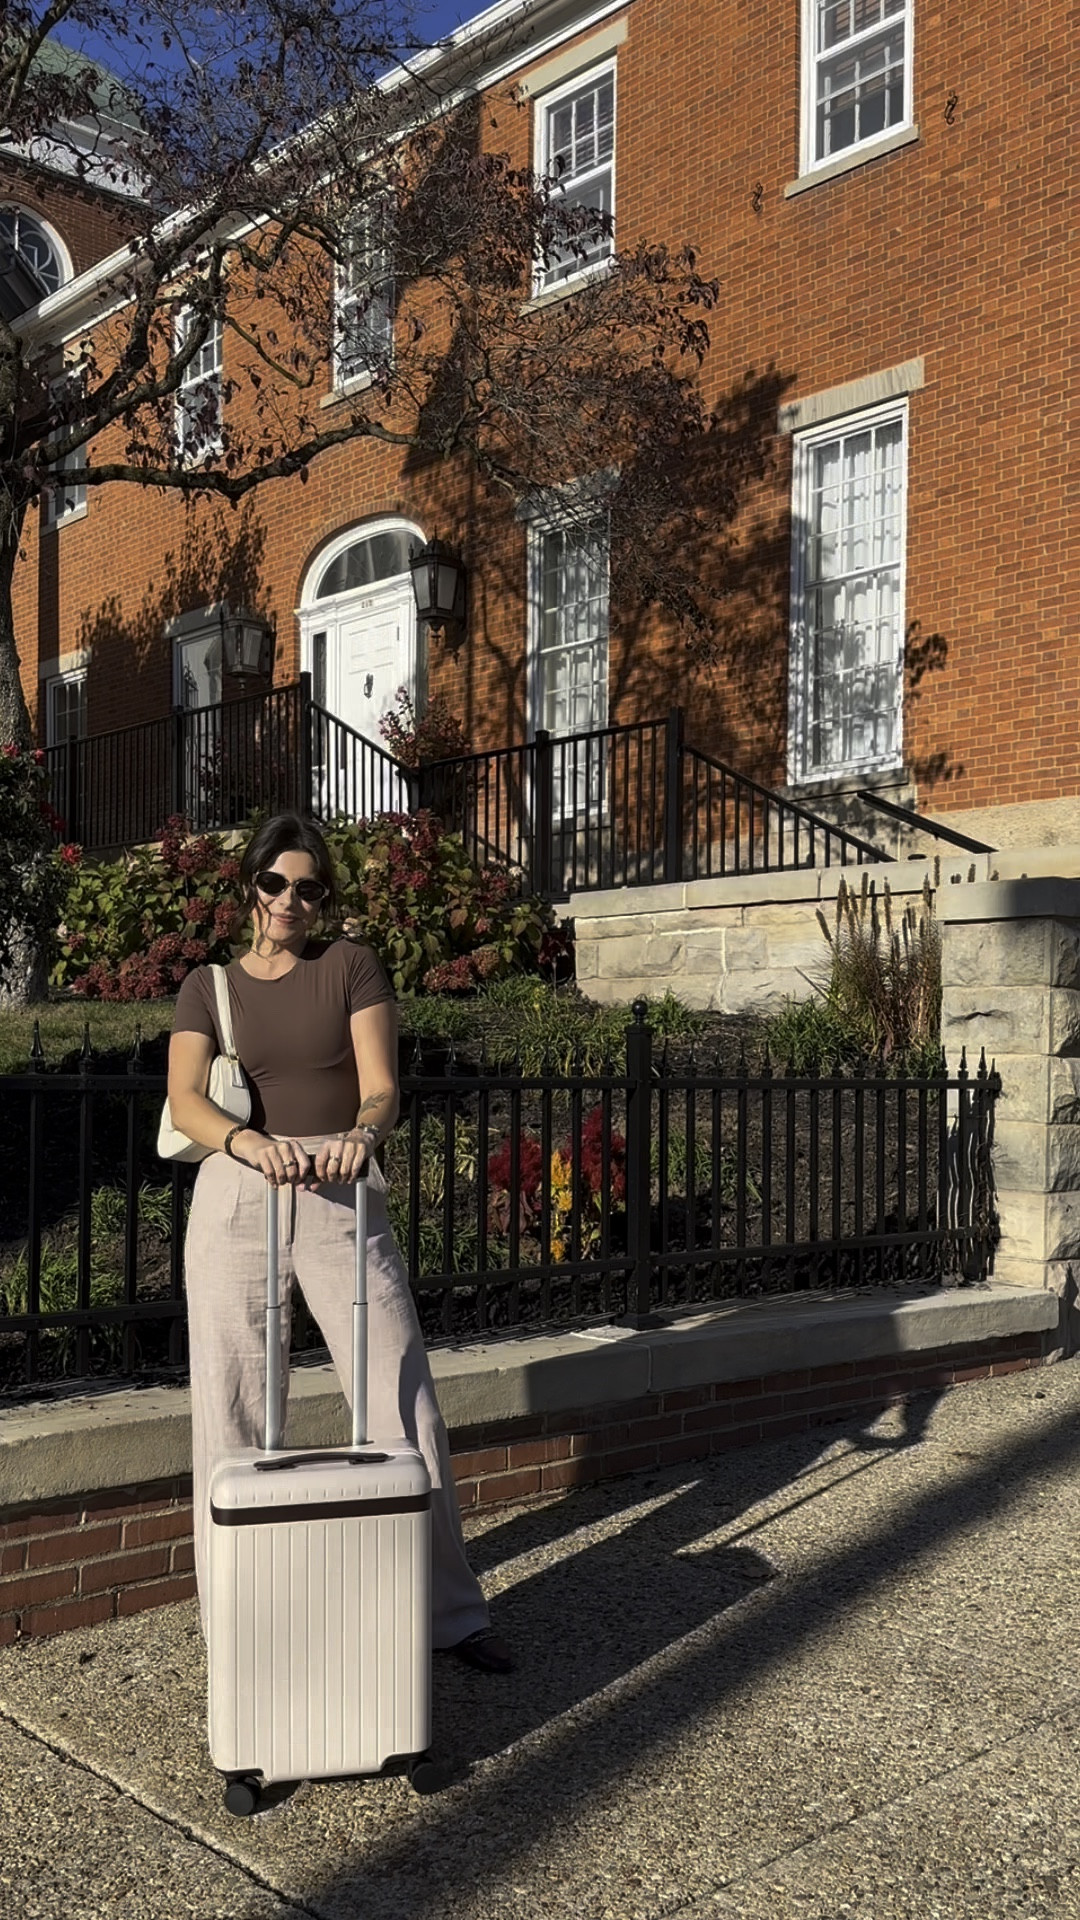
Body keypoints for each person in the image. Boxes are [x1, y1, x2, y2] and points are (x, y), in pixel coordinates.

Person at [167, 809, 512, 1673]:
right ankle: (238, 1628)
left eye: (310, 887)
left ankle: (447, 1615)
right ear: (250, 884)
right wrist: (248, 1143)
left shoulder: (351, 966)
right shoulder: (209, 987)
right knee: (233, 1407)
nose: (291, 900)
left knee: (400, 1395)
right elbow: (186, 1104)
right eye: (276, 882)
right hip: (240, 1187)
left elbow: (381, 1087)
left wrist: (362, 1133)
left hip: (335, 1185)